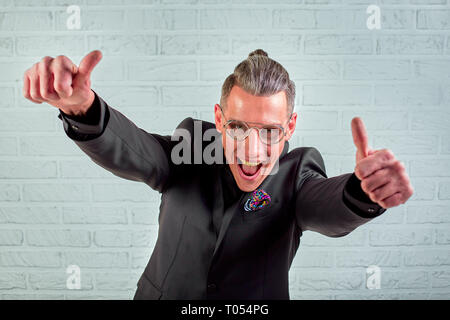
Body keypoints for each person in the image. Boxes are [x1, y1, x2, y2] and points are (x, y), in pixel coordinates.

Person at [22, 49, 413, 300]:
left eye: (270, 132)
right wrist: (84, 109)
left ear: (290, 127)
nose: (251, 149)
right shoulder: (190, 148)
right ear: (219, 119)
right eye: (239, 128)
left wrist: (362, 193)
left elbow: (326, 204)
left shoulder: (298, 174)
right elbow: (137, 151)